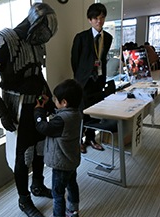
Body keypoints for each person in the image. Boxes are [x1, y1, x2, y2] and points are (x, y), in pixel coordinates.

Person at [0, 3, 58, 217]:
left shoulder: (37, 44)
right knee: (23, 156)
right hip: (17, 109)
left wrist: (50, 99)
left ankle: (38, 185)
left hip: (37, 105)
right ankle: (24, 200)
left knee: (40, 149)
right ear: (35, 22)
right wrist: (2, 114)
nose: (43, 35)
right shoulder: (4, 41)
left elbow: (37, 75)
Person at [34, 79, 83, 217]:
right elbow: (60, 113)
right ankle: (73, 211)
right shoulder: (76, 113)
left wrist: (38, 111)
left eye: (56, 100)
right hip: (71, 160)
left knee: (58, 194)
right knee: (72, 185)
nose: (55, 101)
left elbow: (43, 127)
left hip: (61, 164)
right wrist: (50, 103)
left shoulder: (61, 120)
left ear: (65, 102)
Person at [71, 3, 112, 153]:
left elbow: (103, 57)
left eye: (102, 17)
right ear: (90, 20)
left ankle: (90, 138)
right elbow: (74, 61)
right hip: (83, 82)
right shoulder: (81, 37)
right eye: (95, 18)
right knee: (81, 112)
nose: (99, 21)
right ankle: (79, 141)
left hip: (99, 80)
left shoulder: (108, 37)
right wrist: (81, 77)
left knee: (95, 112)